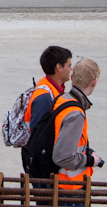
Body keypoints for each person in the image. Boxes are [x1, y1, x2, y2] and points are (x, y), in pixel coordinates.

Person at [41, 57, 104, 207]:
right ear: (94, 82)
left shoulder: (64, 99)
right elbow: (62, 156)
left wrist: (86, 150)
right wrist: (90, 160)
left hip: (69, 188)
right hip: (70, 189)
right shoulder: (76, 112)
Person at [22, 45, 74, 173]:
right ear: (59, 67)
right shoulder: (44, 96)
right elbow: (40, 136)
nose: (71, 69)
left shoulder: (52, 89)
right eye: (68, 65)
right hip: (43, 165)